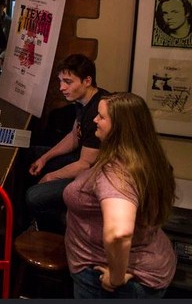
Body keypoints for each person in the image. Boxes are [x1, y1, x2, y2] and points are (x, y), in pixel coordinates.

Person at [63, 92, 176, 298]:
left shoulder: (116, 174)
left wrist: (115, 277)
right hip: (152, 257)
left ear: (120, 127)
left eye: (102, 117)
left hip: (107, 280)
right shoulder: (147, 156)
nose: (95, 120)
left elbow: (119, 233)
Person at [26, 54, 109, 234]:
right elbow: (74, 136)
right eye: (60, 81)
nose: (62, 87)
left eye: (68, 82)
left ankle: (51, 234)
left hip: (93, 175)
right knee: (31, 154)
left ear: (87, 80)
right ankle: (21, 216)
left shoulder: (96, 112)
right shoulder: (82, 100)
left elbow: (85, 165)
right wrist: (45, 158)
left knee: (34, 196)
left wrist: (51, 177)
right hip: (81, 161)